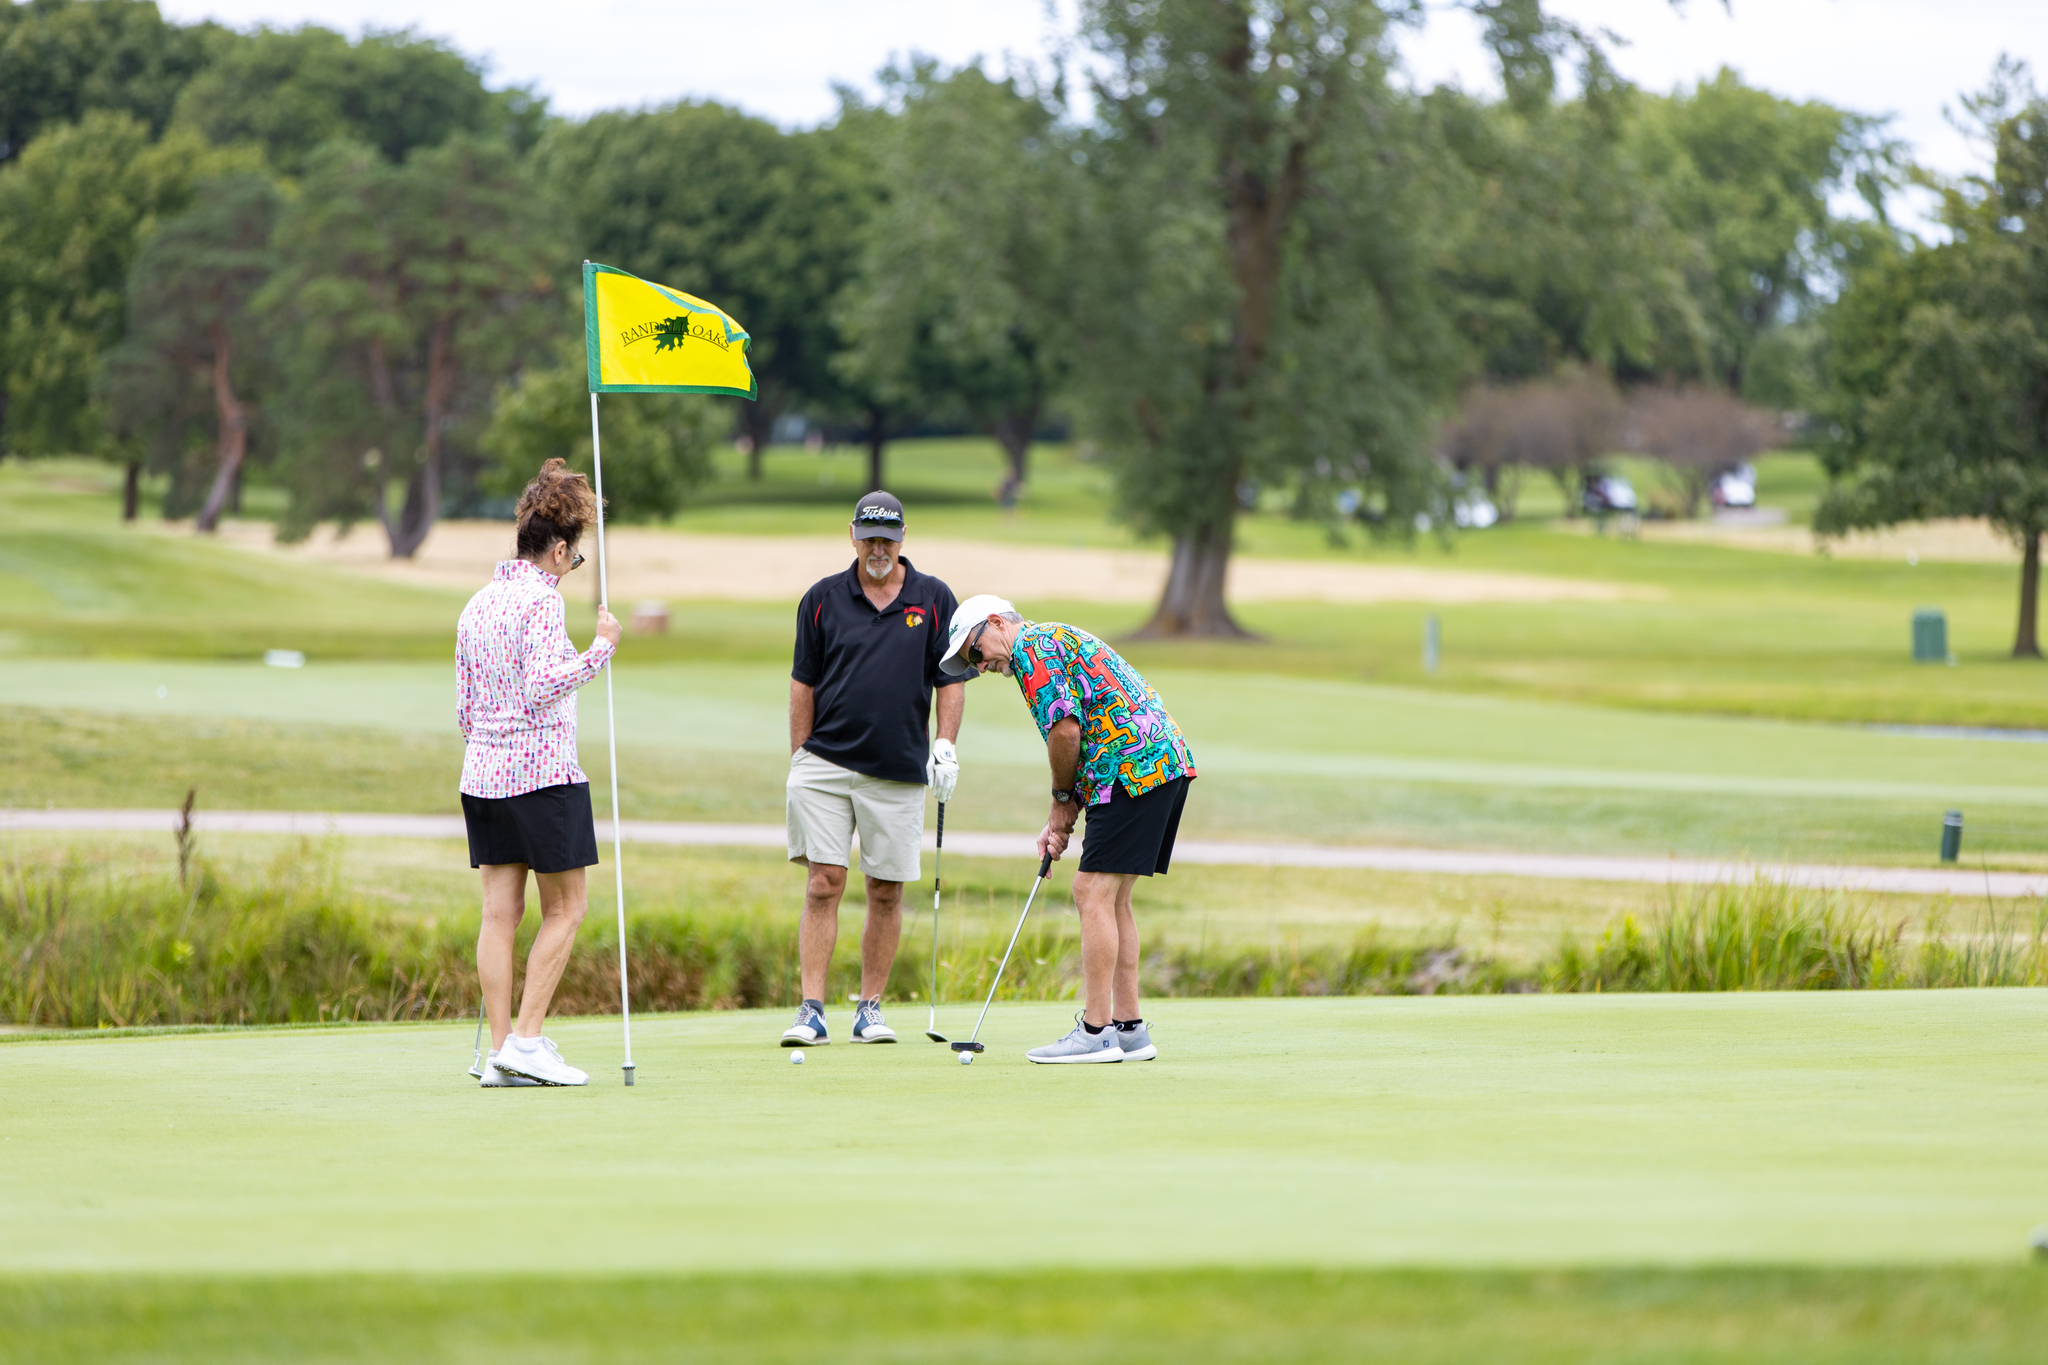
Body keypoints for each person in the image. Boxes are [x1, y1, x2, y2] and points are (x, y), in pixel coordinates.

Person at [937, 598, 1194, 1064]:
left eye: (975, 653)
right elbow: (1085, 729)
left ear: (996, 623)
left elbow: (1066, 733)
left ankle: (1096, 1032)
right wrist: (1066, 806)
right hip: (1159, 765)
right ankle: (1129, 1029)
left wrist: (1060, 802)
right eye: (972, 664)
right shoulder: (1052, 638)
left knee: (1089, 891)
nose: (981, 666)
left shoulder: (1031, 650)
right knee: (1114, 898)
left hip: (1131, 770)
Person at [456, 458, 622, 1087]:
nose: (571, 567)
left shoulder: (477, 605)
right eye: (573, 558)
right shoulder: (542, 601)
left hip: (483, 778)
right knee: (568, 908)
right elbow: (543, 686)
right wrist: (601, 648)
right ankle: (525, 1041)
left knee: (499, 914)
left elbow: (465, 710)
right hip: (543, 775)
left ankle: (502, 1052)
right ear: (556, 551)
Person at [783, 491, 966, 1046]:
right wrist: (800, 756)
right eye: (869, 539)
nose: (878, 549)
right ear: (853, 536)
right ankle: (811, 1011)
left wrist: (945, 745)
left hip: (898, 767)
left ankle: (870, 1009)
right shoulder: (822, 598)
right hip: (825, 763)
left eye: (887, 539)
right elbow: (803, 682)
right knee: (824, 882)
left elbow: (950, 681)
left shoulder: (933, 598)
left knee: (886, 889)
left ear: (903, 538)